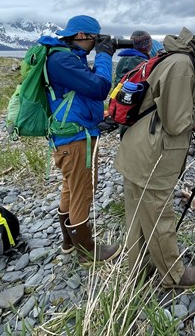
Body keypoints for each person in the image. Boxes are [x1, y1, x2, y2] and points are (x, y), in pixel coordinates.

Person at [114, 27, 195, 288]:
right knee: (160, 219)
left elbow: (171, 111)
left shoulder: (184, 61)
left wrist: (191, 117)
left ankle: (138, 270)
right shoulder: (184, 65)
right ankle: (173, 276)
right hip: (153, 157)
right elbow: (175, 123)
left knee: (139, 218)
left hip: (140, 151)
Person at [38, 15, 121, 263]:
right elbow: (100, 88)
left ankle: (68, 241)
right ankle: (87, 250)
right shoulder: (62, 59)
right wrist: (106, 55)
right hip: (75, 138)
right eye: (95, 39)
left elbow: (86, 88)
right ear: (82, 35)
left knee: (71, 188)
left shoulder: (67, 56)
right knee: (82, 190)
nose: (97, 44)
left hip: (70, 136)